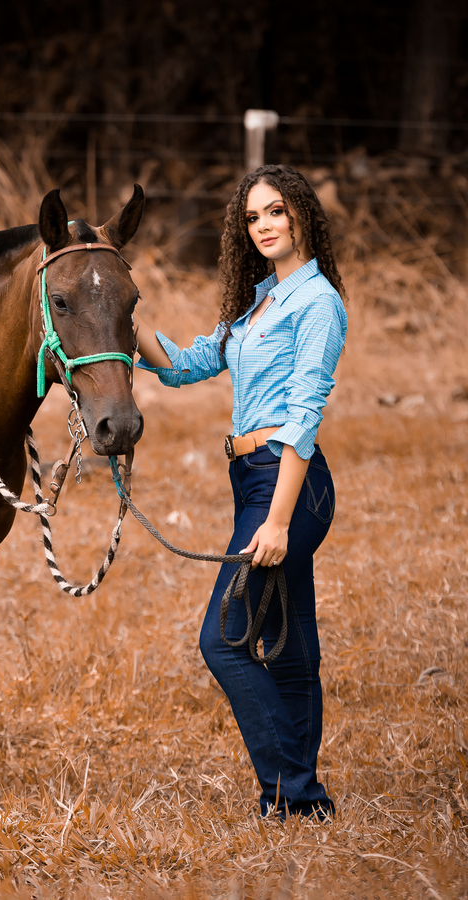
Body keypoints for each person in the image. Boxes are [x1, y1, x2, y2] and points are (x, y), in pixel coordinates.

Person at [134, 164, 347, 821]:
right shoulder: (260, 304)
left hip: (289, 484)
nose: (264, 226)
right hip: (252, 479)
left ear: (302, 214)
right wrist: (120, 309)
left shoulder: (317, 303)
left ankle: (292, 794)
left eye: (276, 211)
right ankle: (303, 807)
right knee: (292, 650)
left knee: (223, 640)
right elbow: (186, 365)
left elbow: (303, 417)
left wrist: (277, 521)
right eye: (253, 217)